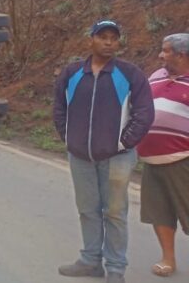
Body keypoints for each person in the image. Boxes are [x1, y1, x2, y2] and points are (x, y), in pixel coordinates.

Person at [53, 20, 155, 283]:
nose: (108, 42)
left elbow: (144, 113)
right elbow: (59, 108)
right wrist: (68, 138)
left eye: (113, 37)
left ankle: (116, 268)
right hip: (80, 157)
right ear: (92, 40)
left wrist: (124, 142)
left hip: (117, 158)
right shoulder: (72, 73)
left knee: (114, 213)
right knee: (87, 210)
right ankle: (90, 261)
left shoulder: (130, 74)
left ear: (118, 42)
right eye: (103, 37)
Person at [136, 33, 189, 277]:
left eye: (166, 50)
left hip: (183, 159)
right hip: (151, 159)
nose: (160, 55)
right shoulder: (156, 76)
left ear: (181, 54)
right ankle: (168, 259)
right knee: (160, 212)